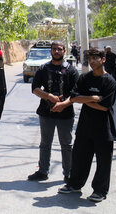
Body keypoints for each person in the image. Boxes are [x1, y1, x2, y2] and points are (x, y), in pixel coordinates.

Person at [58, 48, 116, 203]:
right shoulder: (84, 78)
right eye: (90, 58)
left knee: (103, 162)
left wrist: (83, 100)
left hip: (104, 128)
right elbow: (74, 97)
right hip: (85, 126)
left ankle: (99, 191)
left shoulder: (109, 81)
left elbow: (105, 106)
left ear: (103, 60)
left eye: (95, 58)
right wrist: (93, 98)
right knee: (79, 158)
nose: (92, 61)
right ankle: (75, 185)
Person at [28, 41, 79, 183]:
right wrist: (48, 96)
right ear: (51, 51)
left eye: (59, 49)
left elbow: (76, 93)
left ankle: (69, 174)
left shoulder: (71, 70)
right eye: (54, 49)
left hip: (65, 113)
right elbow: (35, 88)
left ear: (64, 51)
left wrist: (63, 104)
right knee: (45, 143)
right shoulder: (43, 69)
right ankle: (43, 171)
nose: (56, 51)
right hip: (46, 112)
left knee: (67, 145)